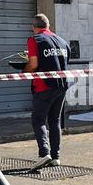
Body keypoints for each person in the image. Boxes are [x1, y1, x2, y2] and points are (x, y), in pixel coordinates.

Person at [24, 14, 70, 171]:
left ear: (34, 27)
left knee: (38, 120)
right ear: (48, 26)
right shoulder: (62, 41)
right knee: (55, 120)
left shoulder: (35, 40)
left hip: (43, 86)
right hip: (62, 85)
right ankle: (56, 157)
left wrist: (24, 71)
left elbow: (33, 64)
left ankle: (44, 153)